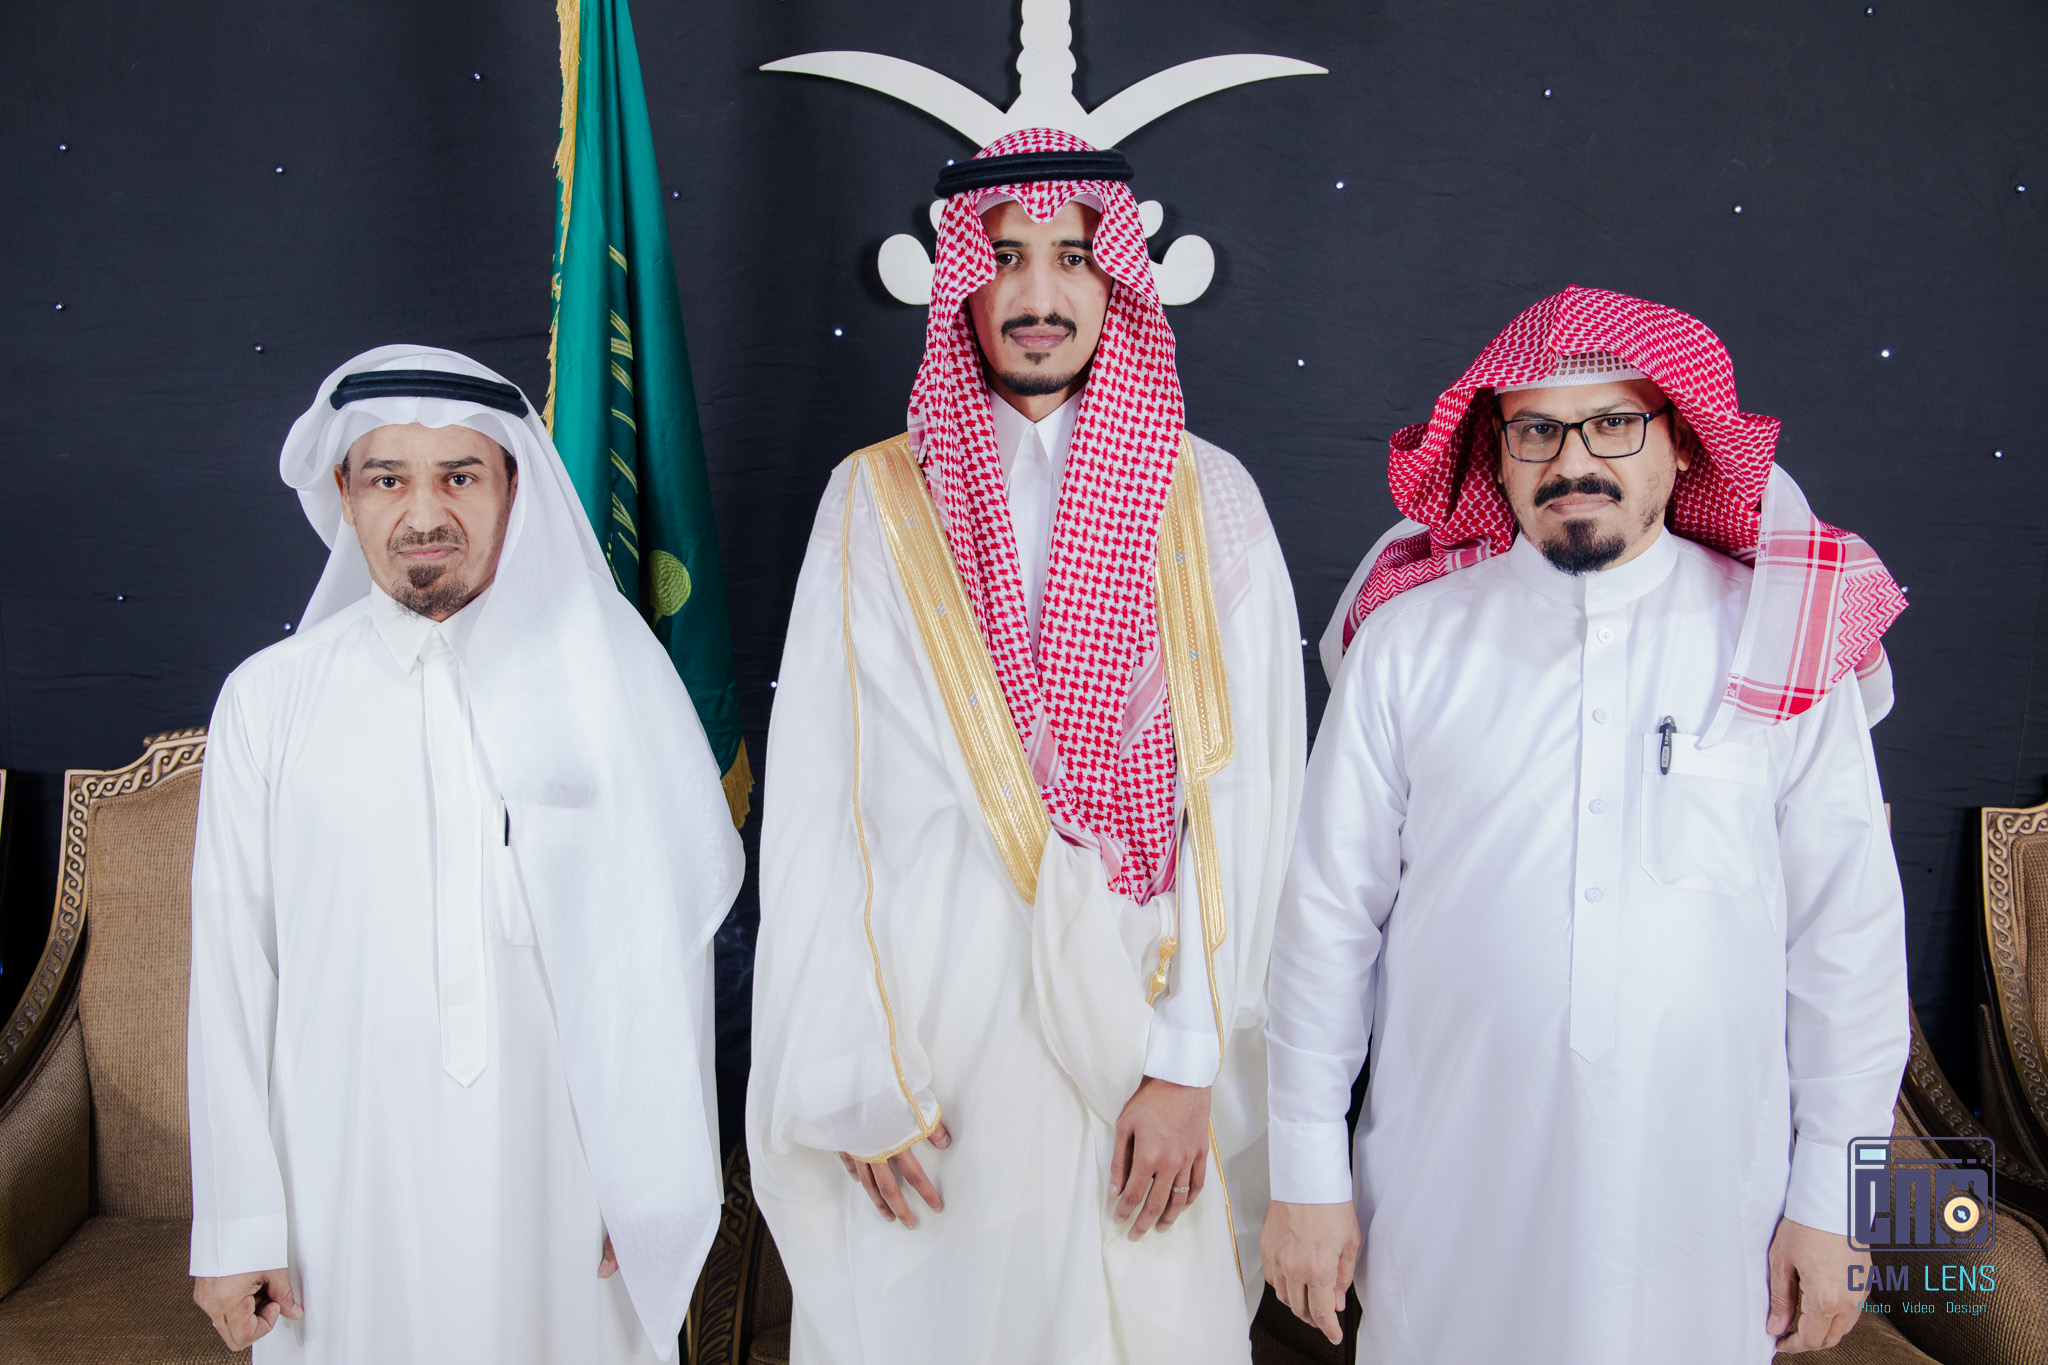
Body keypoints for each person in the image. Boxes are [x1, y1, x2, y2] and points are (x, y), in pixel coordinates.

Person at [1261, 287, 1910, 1363]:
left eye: (1613, 423)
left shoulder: (1779, 640)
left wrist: (1840, 1202)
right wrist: (1303, 1176)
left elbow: (1848, 946)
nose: (1573, 461)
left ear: (1681, 443)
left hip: (1707, 1225)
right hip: (1447, 1207)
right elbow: (1324, 931)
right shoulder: (1408, 647)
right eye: (1536, 431)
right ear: (1497, 453)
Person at [748, 128, 1304, 1364]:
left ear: (1119, 283)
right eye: (1003, 259)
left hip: (1142, 1032)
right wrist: (855, 1070)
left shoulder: (1207, 496)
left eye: (1071, 258)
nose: (1038, 294)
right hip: (934, 1055)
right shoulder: (876, 497)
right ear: (959, 279)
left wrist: (1187, 1067)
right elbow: (823, 802)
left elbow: (1244, 799)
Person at [186, 347, 742, 1362]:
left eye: (459, 476)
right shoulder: (268, 702)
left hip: (567, 1185)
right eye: (387, 478)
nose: (424, 513)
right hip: (340, 1190)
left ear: (512, 489)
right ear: (345, 497)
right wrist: (236, 1226)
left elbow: (664, 956)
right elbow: (230, 980)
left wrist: (655, 1180)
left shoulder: (609, 684)